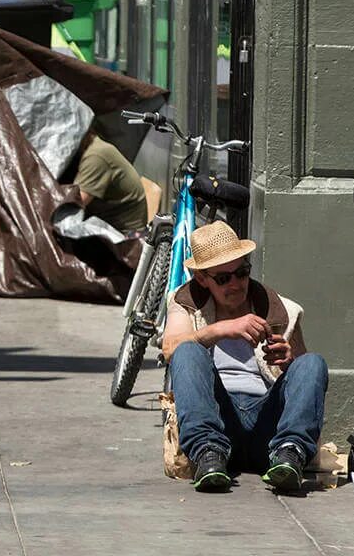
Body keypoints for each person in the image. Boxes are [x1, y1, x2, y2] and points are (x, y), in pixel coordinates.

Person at [162, 221, 328, 493]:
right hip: (217, 418)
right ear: (202, 278)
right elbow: (170, 348)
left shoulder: (278, 308)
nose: (236, 284)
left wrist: (288, 361)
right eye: (223, 278)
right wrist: (219, 330)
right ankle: (207, 454)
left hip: (267, 424)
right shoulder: (186, 302)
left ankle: (290, 455)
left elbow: (304, 381)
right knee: (188, 351)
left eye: (242, 273)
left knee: (312, 363)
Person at [72, 126, 148, 233]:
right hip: (109, 225)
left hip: (124, 238)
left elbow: (74, 205)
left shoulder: (96, 157)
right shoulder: (94, 145)